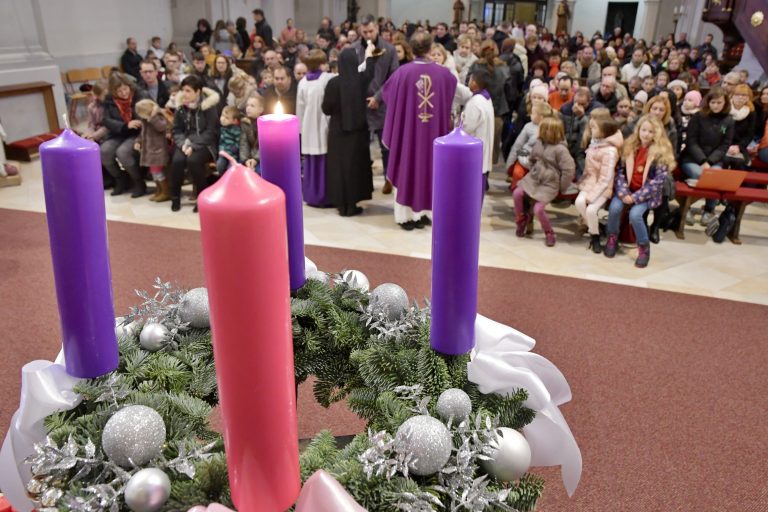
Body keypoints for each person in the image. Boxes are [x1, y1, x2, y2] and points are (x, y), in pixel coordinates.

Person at [380, 31, 458, 230]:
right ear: (431, 49)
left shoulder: (402, 73)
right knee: (429, 168)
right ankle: (425, 213)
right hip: (433, 133)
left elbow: (386, 93)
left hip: (408, 135)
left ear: (411, 49)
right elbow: (452, 86)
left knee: (407, 165)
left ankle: (407, 217)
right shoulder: (444, 75)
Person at [604, 115, 675, 267]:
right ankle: (612, 237)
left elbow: (657, 183)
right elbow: (620, 172)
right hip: (626, 191)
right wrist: (624, 193)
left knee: (636, 215)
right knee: (614, 208)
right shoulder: (630, 146)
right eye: (643, 130)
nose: (646, 134)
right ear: (638, 130)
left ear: (657, 133)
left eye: (651, 131)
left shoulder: (660, 153)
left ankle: (643, 246)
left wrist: (635, 197)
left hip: (645, 196)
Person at [323, 47, 378, 216]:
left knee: (338, 168)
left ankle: (341, 204)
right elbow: (370, 70)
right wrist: (370, 55)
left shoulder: (333, 83)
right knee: (354, 167)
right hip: (358, 132)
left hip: (337, 131)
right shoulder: (361, 80)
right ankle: (353, 204)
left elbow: (326, 109)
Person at [352, 15, 399, 194]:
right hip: (360, 103)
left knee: (386, 145)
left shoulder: (389, 49)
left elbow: (393, 77)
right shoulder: (354, 49)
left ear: (377, 28)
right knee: (361, 146)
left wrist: (378, 97)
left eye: (371, 31)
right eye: (364, 32)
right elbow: (352, 76)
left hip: (382, 103)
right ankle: (364, 181)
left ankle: (389, 178)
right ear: (360, 31)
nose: (368, 35)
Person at [514, 116, 575, 246]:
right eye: (543, 129)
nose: (543, 132)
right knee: (517, 193)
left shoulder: (561, 149)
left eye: (547, 130)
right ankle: (521, 220)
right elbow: (532, 158)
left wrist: (561, 187)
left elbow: (569, 170)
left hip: (550, 183)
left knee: (538, 209)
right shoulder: (539, 143)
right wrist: (534, 169)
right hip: (534, 178)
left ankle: (549, 232)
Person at [680, 87, 734, 225]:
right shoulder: (698, 117)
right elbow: (691, 141)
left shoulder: (728, 120)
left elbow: (725, 145)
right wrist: (703, 160)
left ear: (725, 103)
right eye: (713, 102)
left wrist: (710, 161)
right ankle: (687, 208)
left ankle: (709, 210)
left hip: (714, 160)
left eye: (719, 103)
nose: (715, 105)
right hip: (692, 158)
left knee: (715, 177)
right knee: (700, 175)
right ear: (708, 102)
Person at [169, 75, 220, 212]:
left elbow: (211, 133)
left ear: (198, 92)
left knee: (193, 161)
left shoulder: (209, 106)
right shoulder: (181, 107)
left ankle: (201, 198)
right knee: (177, 161)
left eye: (188, 91)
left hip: (205, 144)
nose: (184, 94)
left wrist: (193, 145)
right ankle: (175, 197)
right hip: (185, 143)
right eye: (183, 90)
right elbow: (176, 129)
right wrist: (182, 144)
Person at [575, 110, 623, 253]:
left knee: (591, 209)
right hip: (591, 181)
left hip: (603, 186)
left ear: (604, 130)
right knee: (578, 202)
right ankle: (594, 228)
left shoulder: (610, 151)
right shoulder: (595, 142)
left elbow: (605, 178)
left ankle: (595, 237)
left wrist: (592, 196)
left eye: (594, 128)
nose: (591, 130)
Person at [296, 49, 335, 207]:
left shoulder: (303, 82)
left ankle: (312, 195)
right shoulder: (327, 79)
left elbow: (300, 108)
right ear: (321, 63)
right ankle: (324, 196)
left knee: (312, 162)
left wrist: (299, 130)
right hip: (323, 124)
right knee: (323, 161)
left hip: (308, 125)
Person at [101, 73, 147, 197]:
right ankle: (121, 179)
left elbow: (145, 117)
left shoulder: (140, 95)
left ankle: (138, 182)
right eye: (119, 91)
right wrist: (125, 125)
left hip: (137, 133)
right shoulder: (108, 99)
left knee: (123, 153)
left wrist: (134, 124)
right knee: (104, 151)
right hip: (119, 132)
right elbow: (106, 120)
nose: (123, 93)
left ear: (129, 86)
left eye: (125, 89)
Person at [461, 67, 495, 194]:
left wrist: (456, 124)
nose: (468, 82)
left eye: (470, 79)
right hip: (482, 147)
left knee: (471, 191)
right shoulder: (486, 97)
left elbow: (466, 127)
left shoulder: (475, 102)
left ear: (474, 82)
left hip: (475, 150)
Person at [507, 98, 553, 189]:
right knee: (518, 173)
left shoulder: (551, 128)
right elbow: (518, 145)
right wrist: (510, 163)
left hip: (540, 161)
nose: (530, 115)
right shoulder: (528, 126)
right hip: (524, 155)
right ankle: (516, 188)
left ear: (541, 117)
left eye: (532, 113)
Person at [134, 99, 171, 202]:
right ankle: (159, 190)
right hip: (149, 151)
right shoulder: (145, 120)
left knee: (158, 172)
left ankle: (165, 192)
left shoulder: (158, 118)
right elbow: (142, 133)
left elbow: (161, 127)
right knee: (154, 173)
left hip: (158, 151)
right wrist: (138, 141)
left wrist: (153, 117)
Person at [724, 84, 756, 168]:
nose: (740, 98)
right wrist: (727, 145)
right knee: (725, 160)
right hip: (723, 144)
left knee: (739, 162)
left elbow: (750, 134)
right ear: (732, 96)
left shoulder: (751, 113)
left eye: (744, 95)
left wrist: (738, 146)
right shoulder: (725, 110)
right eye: (737, 95)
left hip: (740, 146)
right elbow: (722, 129)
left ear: (748, 98)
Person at [239, 93, 264, 172]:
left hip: (261, 158)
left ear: (261, 109)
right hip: (248, 158)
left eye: (252, 106)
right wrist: (245, 159)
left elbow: (263, 145)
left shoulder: (264, 124)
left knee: (259, 172)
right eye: (247, 105)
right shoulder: (245, 123)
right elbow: (244, 143)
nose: (248, 108)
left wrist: (255, 159)